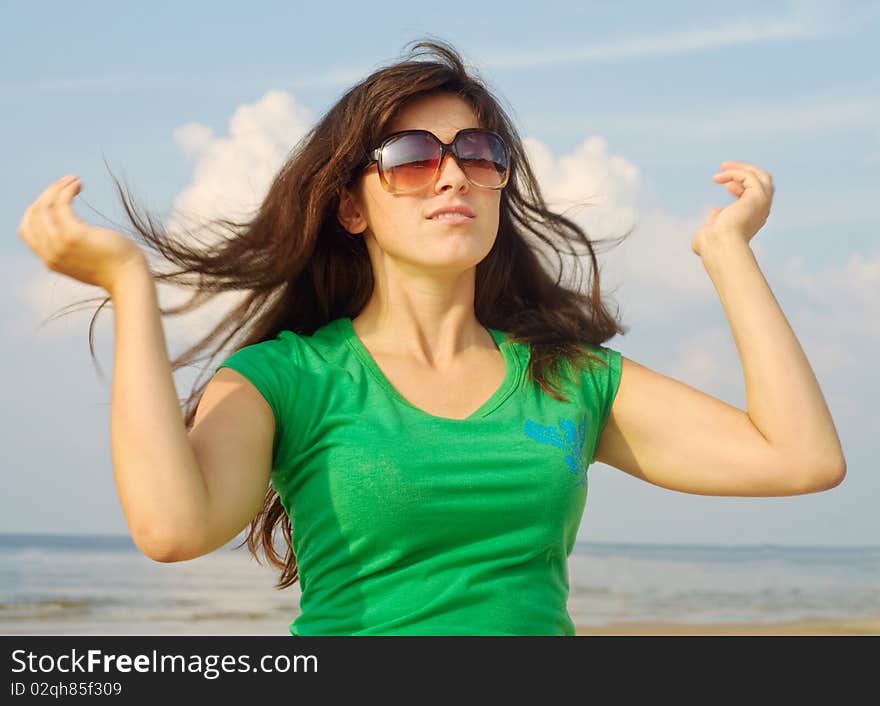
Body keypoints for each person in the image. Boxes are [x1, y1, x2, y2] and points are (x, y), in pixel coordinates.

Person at [17, 40, 846, 636]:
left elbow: (801, 459)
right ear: (352, 205)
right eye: (411, 155)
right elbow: (173, 529)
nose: (452, 173)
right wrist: (130, 288)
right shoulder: (286, 378)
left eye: (478, 151)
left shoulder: (570, 380)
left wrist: (728, 254)